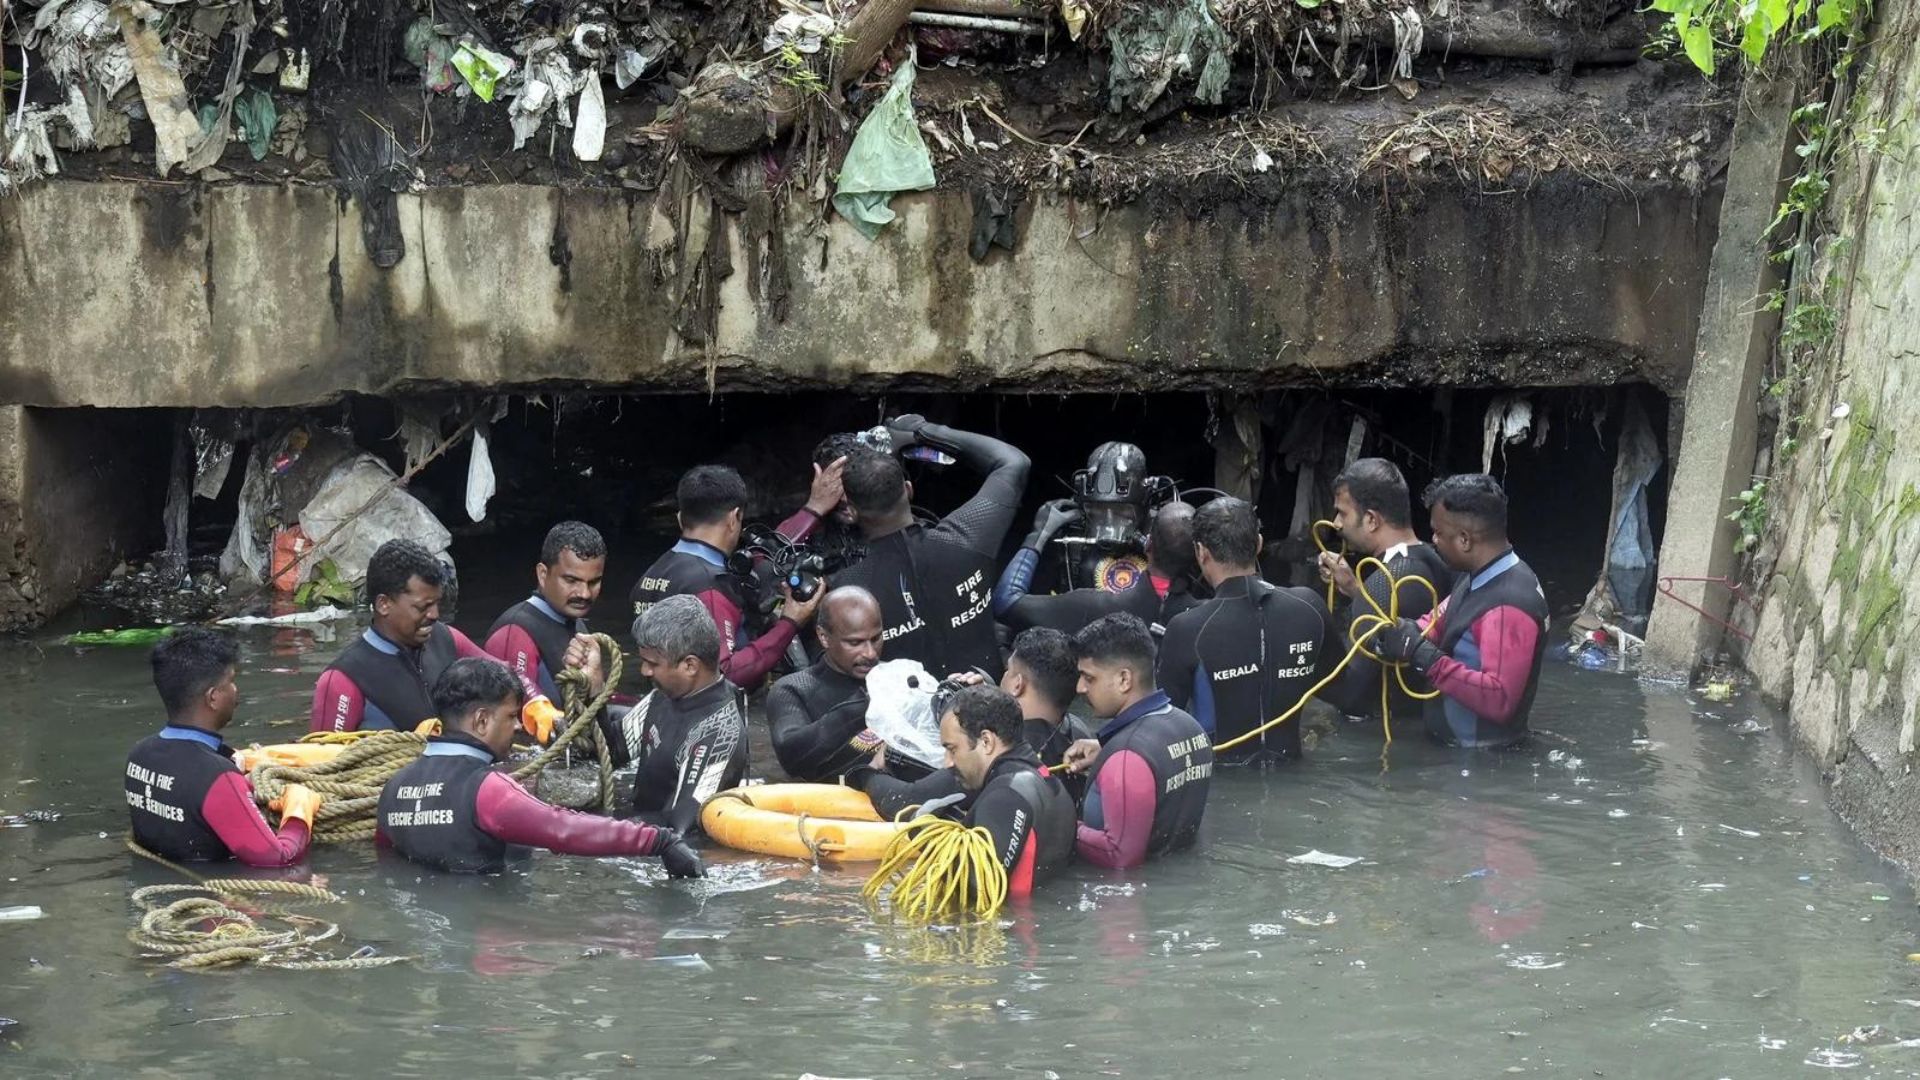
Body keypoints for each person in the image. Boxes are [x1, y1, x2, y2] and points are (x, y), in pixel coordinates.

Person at [377, 658, 704, 877]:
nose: (518, 726)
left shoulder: (393, 788)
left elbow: (388, 864)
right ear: (480, 720)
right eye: (510, 716)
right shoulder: (487, 791)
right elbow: (564, 829)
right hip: (493, 930)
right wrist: (659, 840)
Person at [831, 414, 1030, 679]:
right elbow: (1014, 462)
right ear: (910, 489)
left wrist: (813, 510)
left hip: (906, 715)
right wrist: (921, 431)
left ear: (851, 512)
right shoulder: (969, 536)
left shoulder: (848, 588)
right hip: (986, 698)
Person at [311, 540, 561, 742]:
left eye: (436, 604)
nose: (434, 615)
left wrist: (536, 704)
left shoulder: (446, 639)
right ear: (384, 604)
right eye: (423, 607)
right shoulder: (341, 680)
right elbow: (323, 767)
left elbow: (506, 672)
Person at [1372, 474, 1549, 749]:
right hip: (1453, 749)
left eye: (1439, 533)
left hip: (1479, 764)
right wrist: (1401, 634)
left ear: (1465, 540)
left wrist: (1422, 656)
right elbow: (1438, 622)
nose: (1434, 539)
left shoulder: (1508, 605)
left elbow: (1499, 698)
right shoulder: (1479, 575)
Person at [630, 463, 841, 689]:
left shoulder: (653, 573)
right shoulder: (710, 588)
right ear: (735, 518)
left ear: (681, 518)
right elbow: (723, 675)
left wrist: (814, 507)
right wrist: (789, 623)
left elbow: (768, 554)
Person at [1157, 497, 1330, 764]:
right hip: (1293, 771)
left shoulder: (1186, 628)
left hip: (1219, 780)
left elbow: (1160, 728)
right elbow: (1350, 695)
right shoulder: (1309, 606)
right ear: (1259, 545)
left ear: (1201, 552)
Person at [127, 628, 321, 866]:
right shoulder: (217, 776)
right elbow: (276, 859)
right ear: (213, 697)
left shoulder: (139, 755)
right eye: (231, 681)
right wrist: (298, 810)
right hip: (216, 896)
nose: (235, 689)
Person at [848, 628, 1091, 817]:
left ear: (1017, 684)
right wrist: (986, 699)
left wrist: (865, 775)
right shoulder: (1079, 735)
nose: (1002, 678)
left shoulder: (1002, 748)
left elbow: (906, 802)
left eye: (1007, 672)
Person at [1062, 613, 1212, 870]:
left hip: (1124, 905)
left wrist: (1059, 825)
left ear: (1124, 679)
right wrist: (1108, 750)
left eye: (1089, 678)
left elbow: (1118, 854)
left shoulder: (1127, 757)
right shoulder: (1192, 728)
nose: (1080, 688)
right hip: (1177, 882)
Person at [1314, 459, 1456, 722]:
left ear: (1371, 519)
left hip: (1383, 730)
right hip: (1422, 717)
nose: (1336, 523)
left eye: (1342, 513)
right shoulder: (1434, 560)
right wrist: (1355, 591)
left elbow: (1350, 695)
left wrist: (1302, 658)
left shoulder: (1383, 584)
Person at [596, 595, 750, 834]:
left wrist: (606, 832)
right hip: (642, 825)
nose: (644, 671)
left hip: (672, 848)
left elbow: (682, 830)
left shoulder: (720, 731)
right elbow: (612, 751)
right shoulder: (665, 694)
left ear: (690, 666)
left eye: (652, 664)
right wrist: (594, 691)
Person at [934, 684, 1076, 899]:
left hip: (1013, 930)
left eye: (952, 749)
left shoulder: (1007, 794)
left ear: (986, 741)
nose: (947, 763)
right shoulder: (1051, 785)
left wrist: (928, 838)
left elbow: (979, 889)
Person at [994, 500, 1204, 636]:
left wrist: (1037, 535)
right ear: (1201, 554)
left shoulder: (1091, 606)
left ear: (1148, 545)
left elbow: (1006, 602)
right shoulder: (1207, 613)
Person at [765, 587, 885, 782]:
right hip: (825, 807)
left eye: (876, 638)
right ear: (824, 637)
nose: (870, 653)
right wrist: (862, 707)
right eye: (855, 643)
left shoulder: (897, 679)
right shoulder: (792, 690)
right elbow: (792, 758)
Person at [487, 521, 607, 703]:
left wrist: (596, 686)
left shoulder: (576, 622)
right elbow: (510, 719)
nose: (584, 593)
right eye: (571, 580)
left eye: (593, 582)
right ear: (543, 574)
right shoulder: (514, 632)